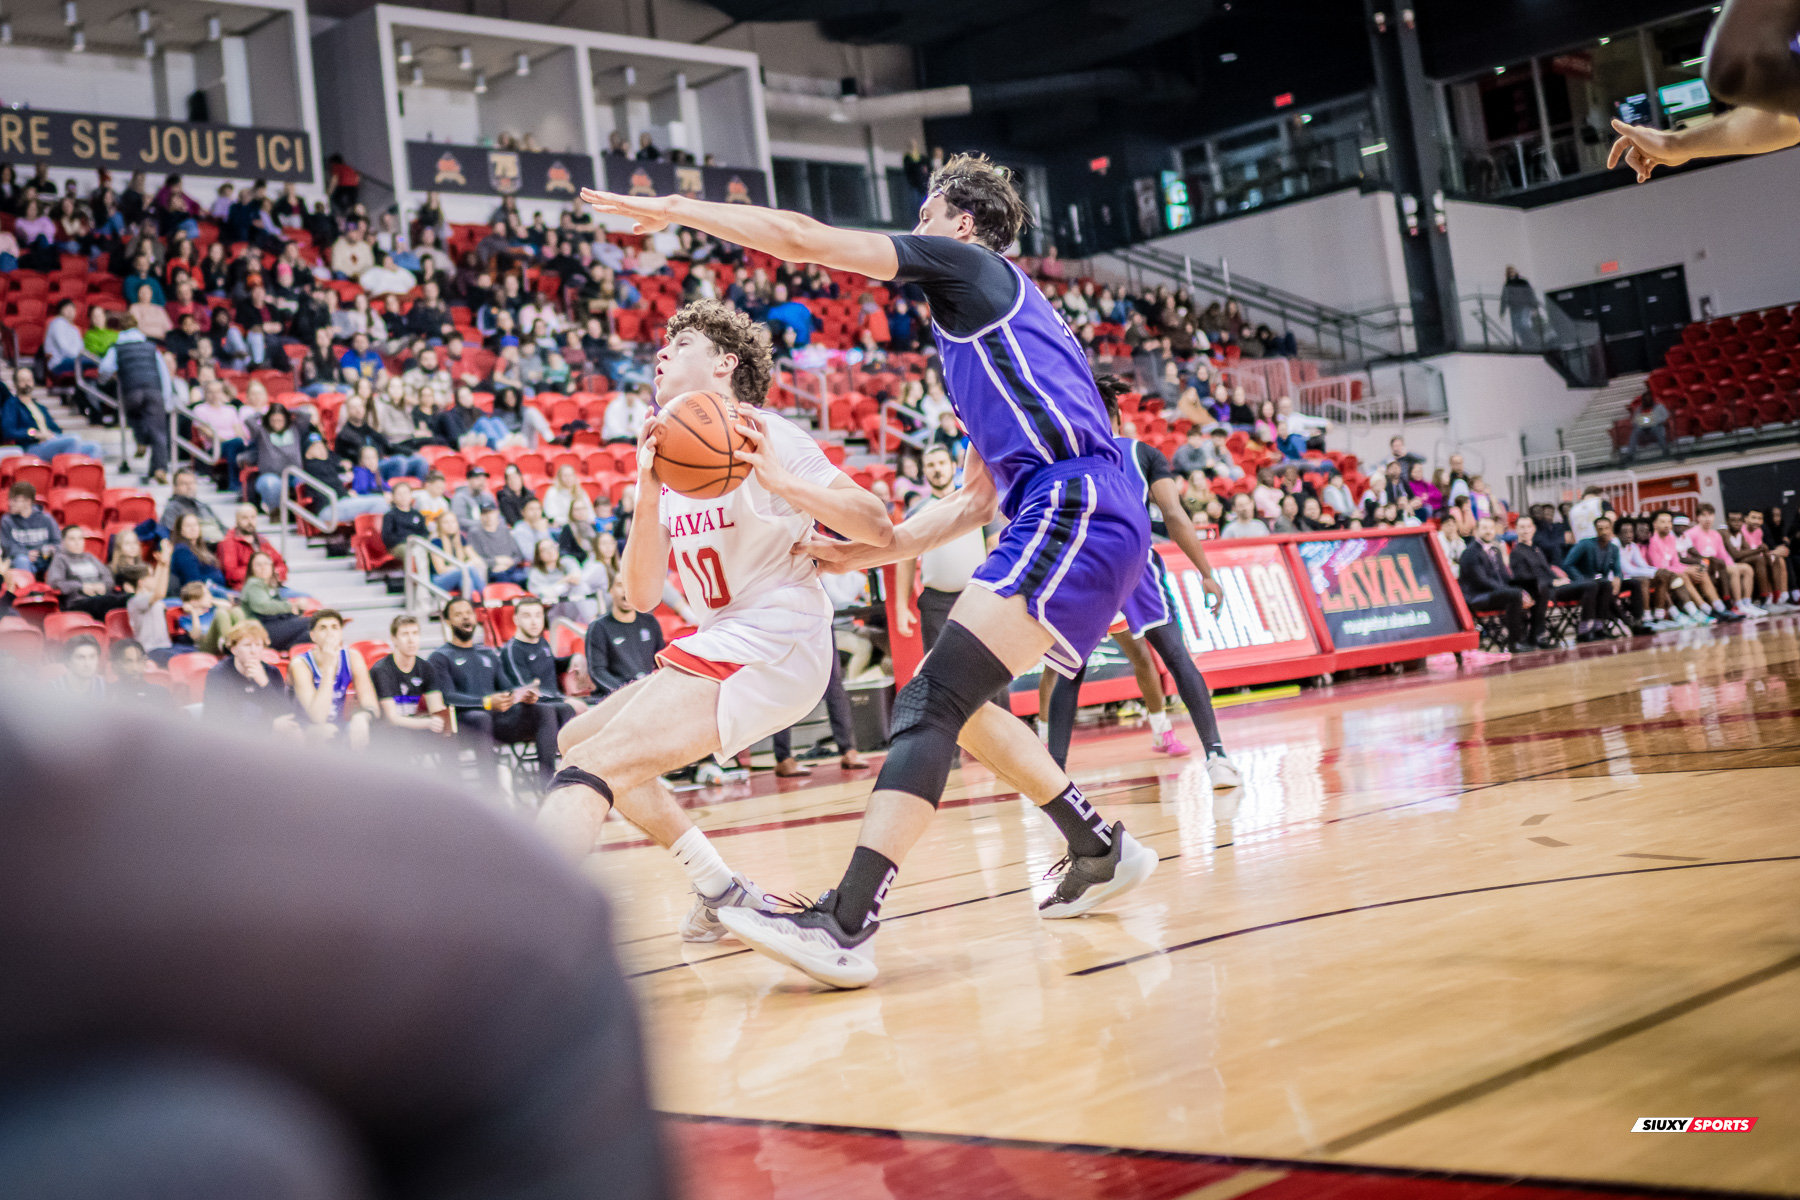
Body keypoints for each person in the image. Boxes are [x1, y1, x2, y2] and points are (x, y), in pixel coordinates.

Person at [580, 154, 1160, 987]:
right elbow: (967, 503)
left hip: (1076, 504)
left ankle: (846, 925)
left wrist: (677, 208)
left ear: (961, 222)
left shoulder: (968, 266)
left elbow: (802, 239)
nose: (914, 228)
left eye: (924, 214)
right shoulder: (983, 333)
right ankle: (1096, 845)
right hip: (1067, 506)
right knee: (955, 704)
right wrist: (874, 550)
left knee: (928, 702)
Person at [531, 299, 891, 950]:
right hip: (726, 636)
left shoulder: (768, 434)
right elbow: (640, 596)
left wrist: (781, 480)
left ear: (725, 363)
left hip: (778, 634)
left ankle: (519, 933)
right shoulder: (673, 459)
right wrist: (645, 489)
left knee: (592, 767)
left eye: (682, 341)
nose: (661, 351)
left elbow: (876, 521)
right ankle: (718, 884)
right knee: (578, 740)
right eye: (662, 342)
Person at [1041, 376, 1238, 785]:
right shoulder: (1141, 454)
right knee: (1177, 658)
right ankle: (1216, 755)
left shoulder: (1064, 459)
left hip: (1086, 570)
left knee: (1069, 671)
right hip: (1135, 567)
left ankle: (1051, 775)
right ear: (1116, 415)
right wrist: (1206, 573)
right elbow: (1174, 514)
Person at [429, 596, 563, 789]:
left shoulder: (488, 652)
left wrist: (521, 695)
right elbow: (448, 697)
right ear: (448, 622)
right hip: (467, 724)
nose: (465, 618)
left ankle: (549, 785)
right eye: (458, 615)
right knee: (481, 717)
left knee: (544, 710)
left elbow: (506, 687)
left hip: (499, 720)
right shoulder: (440, 656)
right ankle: (492, 790)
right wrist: (486, 702)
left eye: (468, 613)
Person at [893, 442, 987, 654]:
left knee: (988, 669)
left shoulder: (975, 502)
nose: (937, 469)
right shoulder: (917, 512)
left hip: (978, 596)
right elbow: (906, 560)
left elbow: (995, 545)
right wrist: (901, 607)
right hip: (937, 604)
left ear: (954, 467)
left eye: (942, 463)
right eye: (931, 465)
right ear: (924, 471)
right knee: (939, 673)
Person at [290, 609, 379, 750]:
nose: (330, 633)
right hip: (305, 728)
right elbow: (318, 717)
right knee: (325, 732)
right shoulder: (300, 664)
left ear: (341, 634)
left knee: (367, 728)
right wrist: (329, 669)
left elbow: (371, 705)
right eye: (323, 628)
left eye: (335, 627)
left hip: (337, 726)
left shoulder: (353, 657)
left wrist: (361, 717)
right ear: (313, 636)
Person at [1509, 515, 1603, 646]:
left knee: (1594, 585)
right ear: (1516, 530)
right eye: (1522, 527)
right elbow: (1524, 578)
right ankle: (1585, 631)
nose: (1525, 531)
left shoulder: (1536, 549)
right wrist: (1552, 582)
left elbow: (1548, 571)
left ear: (1533, 529)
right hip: (1542, 591)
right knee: (1589, 586)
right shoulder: (1516, 553)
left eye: (1528, 527)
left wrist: (1560, 579)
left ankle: (1593, 627)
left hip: (1554, 587)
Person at [501, 596, 584, 730]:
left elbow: (550, 664)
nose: (534, 622)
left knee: (601, 704)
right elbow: (526, 690)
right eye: (527, 616)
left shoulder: (542, 642)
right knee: (566, 709)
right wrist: (563, 700)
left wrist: (574, 658)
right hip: (530, 709)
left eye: (538, 616)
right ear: (516, 619)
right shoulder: (512, 650)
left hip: (554, 701)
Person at [203, 620, 301, 733]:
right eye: (247, 645)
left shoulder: (272, 672)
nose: (254, 651)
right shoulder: (218, 674)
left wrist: (264, 684)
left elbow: (285, 714)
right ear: (234, 649)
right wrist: (269, 726)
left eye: (258, 645)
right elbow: (217, 722)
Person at [582, 575, 665, 699]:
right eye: (620, 585)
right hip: (615, 697)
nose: (626, 590)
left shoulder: (650, 622)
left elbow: (661, 661)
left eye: (631, 586)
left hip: (646, 692)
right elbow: (597, 671)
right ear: (611, 591)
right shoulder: (599, 627)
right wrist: (624, 690)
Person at [1459, 515, 1533, 654]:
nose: (1488, 531)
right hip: (1477, 597)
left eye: (1491, 528)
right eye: (1484, 528)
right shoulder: (1470, 552)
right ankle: (1514, 642)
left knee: (1524, 593)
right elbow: (1481, 580)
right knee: (1514, 595)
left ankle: (1526, 638)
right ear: (1476, 531)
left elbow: (1505, 576)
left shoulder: (1496, 550)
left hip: (1495, 594)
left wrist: (1520, 590)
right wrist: (1510, 591)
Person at [3, 366, 103, 460]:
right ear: (15, 383)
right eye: (22, 381)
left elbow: (55, 428)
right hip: (32, 447)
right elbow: (8, 431)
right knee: (73, 440)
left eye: (29, 380)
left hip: (50, 441)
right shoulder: (12, 404)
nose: (27, 384)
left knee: (94, 447)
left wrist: (51, 434)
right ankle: (65, 475)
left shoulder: (39, 406)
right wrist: (33, 433)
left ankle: (85, 477)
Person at [1686, 502, 1761, 618]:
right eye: (1704, 515)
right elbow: (1690, 556)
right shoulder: (1690, 534)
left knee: (1746, 568)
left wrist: (1732, 565)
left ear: (1714, 517)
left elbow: (1724, 555)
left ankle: (1747, 603)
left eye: (1710, 515)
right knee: (1734, 571)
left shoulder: (1715, 534)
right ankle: (1737, 604)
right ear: (1698, 517)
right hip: (1703, 565)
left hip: (1718, 564)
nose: (1708, 519)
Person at [47, 526, 129, 618]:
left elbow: (108, 578)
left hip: (101, 598)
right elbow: (55, 583)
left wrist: (103, 586)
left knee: (130, 598)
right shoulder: (60, 559)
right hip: (77, 603)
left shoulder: (89, 557)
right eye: (72, 539)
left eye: (80, 539)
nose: (77, 543)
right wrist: (81, 587)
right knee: (115, 601)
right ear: (63, 542)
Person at [3, 482, 60, 574]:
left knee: (60, 558)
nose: (10, 504)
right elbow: (7, 547)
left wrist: (49, 549)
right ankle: (27, 588)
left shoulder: (46, 518)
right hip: (21, 561)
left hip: (44, 559)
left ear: (28, 502)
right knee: (21, 560)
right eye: (10, 500)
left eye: (15, 500)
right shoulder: (7, 520)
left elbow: (58, 543)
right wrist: (26, 553)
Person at [108, 636, 172, 702]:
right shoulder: (108, 694)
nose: (135, 668)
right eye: (128, 662)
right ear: (116, 666)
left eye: (139, 661)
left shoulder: (160, 694)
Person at [1498, 266, 1539, 349]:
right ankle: (1526, 343)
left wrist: (1534, 307)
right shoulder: (1507, 285)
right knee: (1517, 327)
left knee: (1524, 325)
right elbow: (1504, 299)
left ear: (1516, 272)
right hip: (1514, 309)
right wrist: (1502, 312)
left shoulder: (1522, 282)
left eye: (1512, 271)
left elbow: (1530, 294)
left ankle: (1533, 342)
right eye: (1509, 272)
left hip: (1524, 307)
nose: (1511, 274)